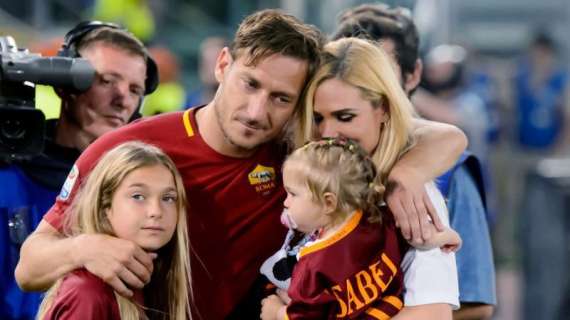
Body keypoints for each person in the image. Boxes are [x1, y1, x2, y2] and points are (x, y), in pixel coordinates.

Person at [16, 10, 465, 319]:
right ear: (222, 64)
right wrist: (84, 249)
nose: (256, 111)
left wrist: (407, 173)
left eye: (281, 99)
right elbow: (30, 266)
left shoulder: (305, 157)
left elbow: (440, 135)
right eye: (250, 84)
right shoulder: (126, 149)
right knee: (85, 290)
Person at [332, 4, 496, 319]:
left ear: (413, 74)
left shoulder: (449, 172)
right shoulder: (312, 159)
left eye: (381, 74)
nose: (367, 90)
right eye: (354, 74)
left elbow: (476, 303)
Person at [0, 21, 157, 320]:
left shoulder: (141, 190)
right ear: (65, 84)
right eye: (106, 81)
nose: (122, 99)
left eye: (135, 89)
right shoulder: (8, 176)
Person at [260, 137, 461, 319]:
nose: (285, 203)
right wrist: (446, 236)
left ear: (329, 203)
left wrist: (277, 312)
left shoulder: (311, 266)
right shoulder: (375, 220)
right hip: (386, 309)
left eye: (292, 194)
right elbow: (416, 236)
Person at [36, 141, 190, 319]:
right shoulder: (88, 293)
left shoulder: (157, 282)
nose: (156, 211)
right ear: (104, 208)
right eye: (138, 196)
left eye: (168, 198)